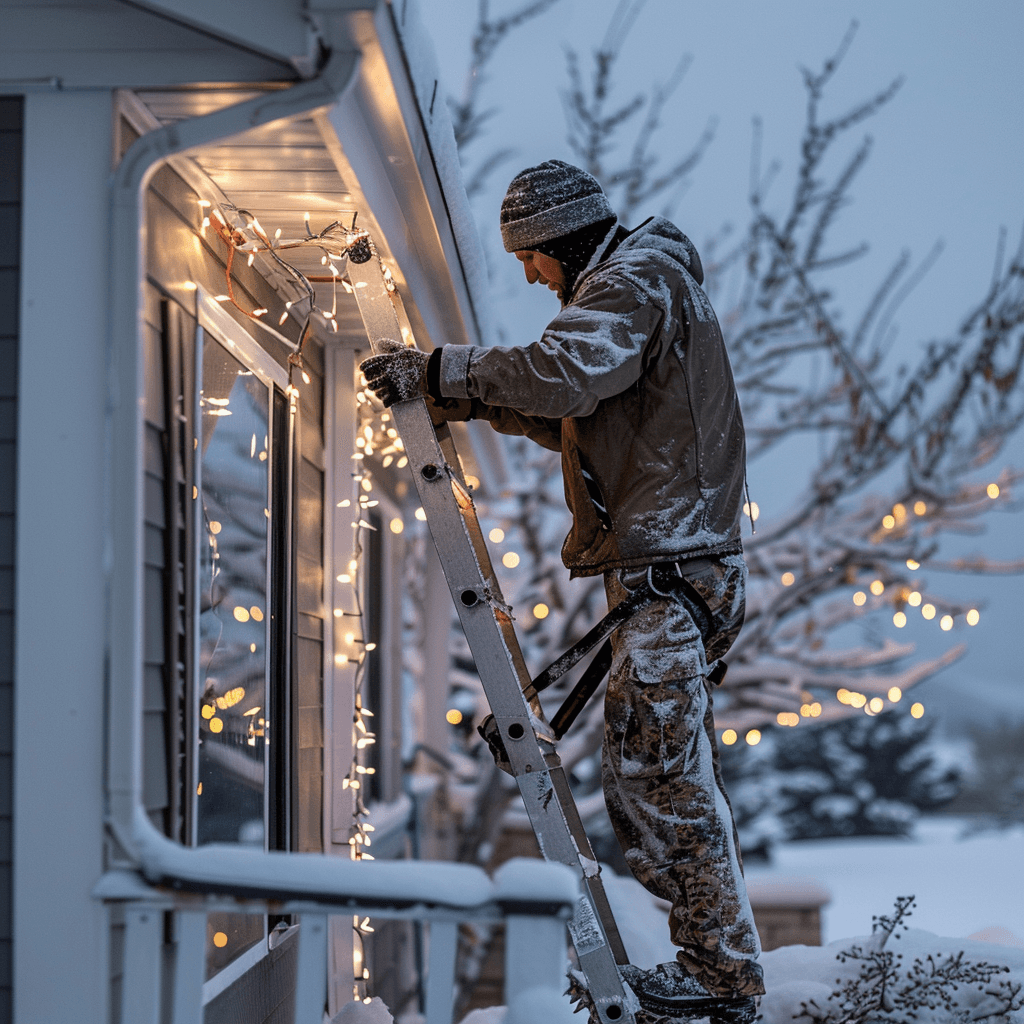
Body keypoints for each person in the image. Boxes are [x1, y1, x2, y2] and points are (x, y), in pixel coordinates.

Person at [360, 159, 764, 1020]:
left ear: (558, 239)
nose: (530, 276)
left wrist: (443, 372)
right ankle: (718, 967)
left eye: (531, 259)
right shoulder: (635, 287)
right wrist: (458, 398)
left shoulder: (634, 280)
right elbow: (570, 407)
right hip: (673, 569)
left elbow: (564, 374)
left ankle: (722, 978)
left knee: (660, 773)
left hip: (674, 572)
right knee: (650, 770)